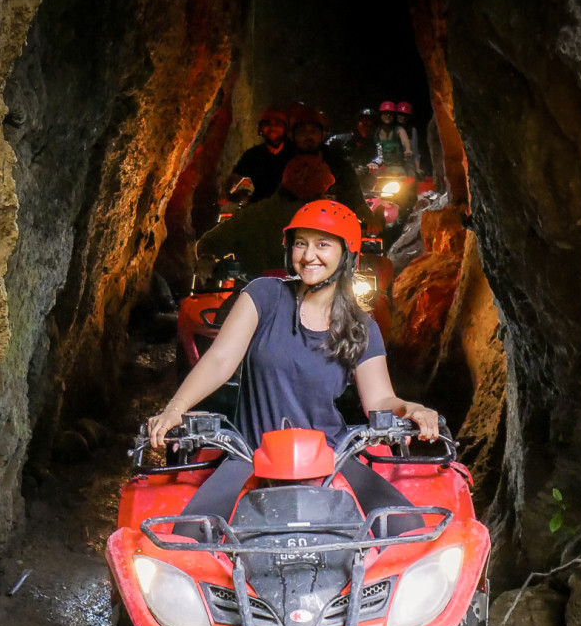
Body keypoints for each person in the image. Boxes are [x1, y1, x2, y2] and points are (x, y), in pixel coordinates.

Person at [148, 200, 438, 531]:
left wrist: (411, 409)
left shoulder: (360, 326)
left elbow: (380, 401)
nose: (308, 255)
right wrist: (175, 409)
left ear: (347, 254)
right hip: (249, 455)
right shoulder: (264, 295)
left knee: (405, 527)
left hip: (333, 455)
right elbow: (220, 360)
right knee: (190, 534)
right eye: (301, 243)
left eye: (323, 244)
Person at [196, 155, 336, 278]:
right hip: (261, 296)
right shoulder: (258, 216)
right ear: (309, 194)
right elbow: (211, 242)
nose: (324, 199)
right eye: (320, 193)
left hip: (294, 295)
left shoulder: (257, 213)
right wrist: (210, 261)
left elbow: (210, 243)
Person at [287, 105, 376, 228]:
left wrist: (368, 216)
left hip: (329, 226)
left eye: (314, 131)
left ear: (322, 134)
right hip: (292, 225)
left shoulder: (338, 164)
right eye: (302, 131)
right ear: (293, 134)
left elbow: (354, 196)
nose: (308, 137)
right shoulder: (281, 163)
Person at [224, 107, 294, 205]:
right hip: (260, 208)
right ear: (260, 129)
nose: (273, 128)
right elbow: (234, 178)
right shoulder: (253, 155)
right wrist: (230, 194)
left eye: (278, 124)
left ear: (285, 129)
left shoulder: (294, 152)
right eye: (267, 124)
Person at [325, 108, 380, 172]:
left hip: (364, 178)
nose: (367, 128)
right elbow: (323, 151)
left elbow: (380, 157)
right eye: (364, 124)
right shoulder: (338, 139)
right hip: (340, 176)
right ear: (356, 123)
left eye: (370, 126)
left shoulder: (375, 144)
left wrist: (375, 163)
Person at [373, 101, 413, 172]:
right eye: (385, 113)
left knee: (411, 177)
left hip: (397, 166)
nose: (388, 115)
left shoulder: (398, 129)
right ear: (380, 115)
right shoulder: (376, 131)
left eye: (390, 113)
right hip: (380, 166)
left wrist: (408, 149)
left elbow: (405, 141)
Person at [396, 101, 423, 177]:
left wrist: (418, 168)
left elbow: (415, 150)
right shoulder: (391, 129)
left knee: (412, 178)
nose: (403, 117)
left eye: (406, 115)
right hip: (393, 163)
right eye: (401, 114)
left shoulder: (412, 130)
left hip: (408, 163)